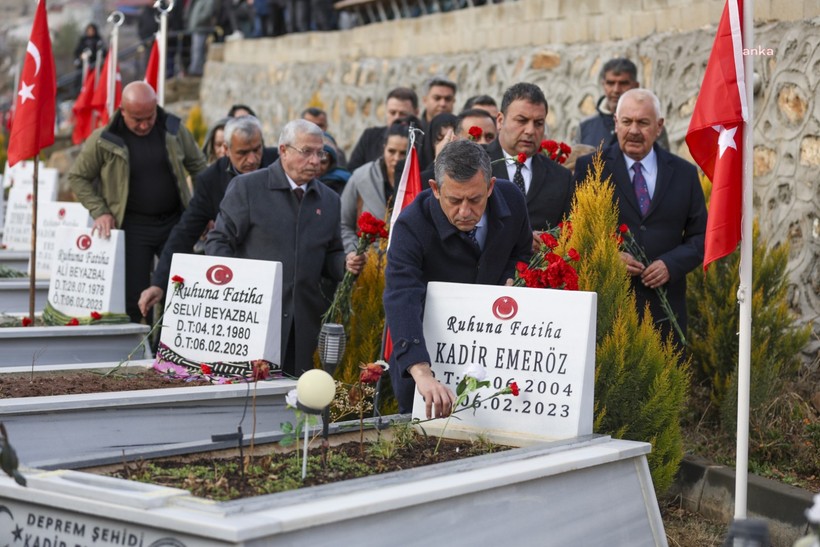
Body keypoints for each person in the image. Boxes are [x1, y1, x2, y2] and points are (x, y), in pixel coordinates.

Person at [383, 139, 532, 417]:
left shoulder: (512, 199)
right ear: (436, 190)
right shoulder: (411, 225)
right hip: (428, 353)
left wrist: (512, 277)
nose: (465, 212)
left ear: (491, 187)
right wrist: (421, 371)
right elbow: (401, 295)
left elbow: (521, 251)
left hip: (494, 353)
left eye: (475, 200)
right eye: (454, 200)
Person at [205, 119, 365, 376]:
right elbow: (218, 242)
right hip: (253, 318)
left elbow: (330, 254)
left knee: (297, 399)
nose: (315, 161)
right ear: (283, 150)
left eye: (320, 152)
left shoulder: (330, 200)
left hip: (304, 323)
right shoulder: (248, 188)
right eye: (307, 152)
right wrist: (238, 290)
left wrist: (345, 263)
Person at [573, 89, 706, 347]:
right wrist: (608, 256)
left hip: (666, 314)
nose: (634, 130)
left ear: (659, 127)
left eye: (643, 123)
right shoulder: (590, 168)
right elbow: (573, 229)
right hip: (608, 309)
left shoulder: (684, 174)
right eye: (627, 122)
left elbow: (701, 235)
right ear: (615, 123)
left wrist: (671, 263)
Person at [68, 81, 207, 323]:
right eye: (136, 119)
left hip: (175, 223)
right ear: (122, 110)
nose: (144, 125)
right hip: (133, 226)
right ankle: (135, 347)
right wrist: (100, 211)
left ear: (156, 108)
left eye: (149, 117)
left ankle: (167, 347)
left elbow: (199, 167)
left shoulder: (173, 129)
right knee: (134, 295)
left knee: (181, 289)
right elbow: (78, 177)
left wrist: (204, 210)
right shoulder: (103, 139)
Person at [138, 115, 276, 316]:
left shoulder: (278, 164)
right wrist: (159, 283)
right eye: (243, 153)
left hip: (274, 269)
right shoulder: (211, 180)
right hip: (235, 276)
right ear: (226, 150)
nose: (253, 159)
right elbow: (184, 232)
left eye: (257, 150)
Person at [487, 82, 575, 241]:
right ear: (500, 121)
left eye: (538, 123)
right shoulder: (478, 163)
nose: (530, 130)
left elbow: (570, 233)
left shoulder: (561, 177)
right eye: (521, 120)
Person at [340, 121, 409, 253]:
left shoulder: (417, 181)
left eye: (402, 153)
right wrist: (355, 252)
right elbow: (343, 224)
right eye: (391, 151)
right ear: (383, 148)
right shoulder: (361, 177)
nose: (396, 158)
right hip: (365, 261)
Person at [576, 58, 669, 150]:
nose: (616, 90)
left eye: (623, 83)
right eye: (611, 83)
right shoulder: (585, 127)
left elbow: (663, 162)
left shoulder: (652, 126)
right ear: (603, 85)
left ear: (635, 86)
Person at [347, 87, 419, 172]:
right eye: (392, 113)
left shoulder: (422, 141)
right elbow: (353, 170)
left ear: (416, 113)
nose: (396, 117)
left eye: (402, 114)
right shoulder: (370, 137)